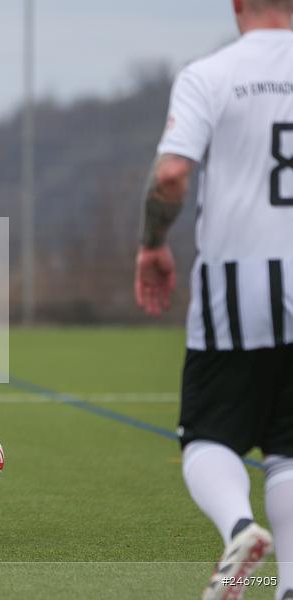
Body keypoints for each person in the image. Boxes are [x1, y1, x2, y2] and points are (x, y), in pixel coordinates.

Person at [134, 1, 293, 597]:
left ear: (236, 6)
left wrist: (153, 243)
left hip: (240, 283)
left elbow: (172, 174)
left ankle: (240, 526)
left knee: (206, 435)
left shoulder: (212, 73)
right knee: (287, 446)